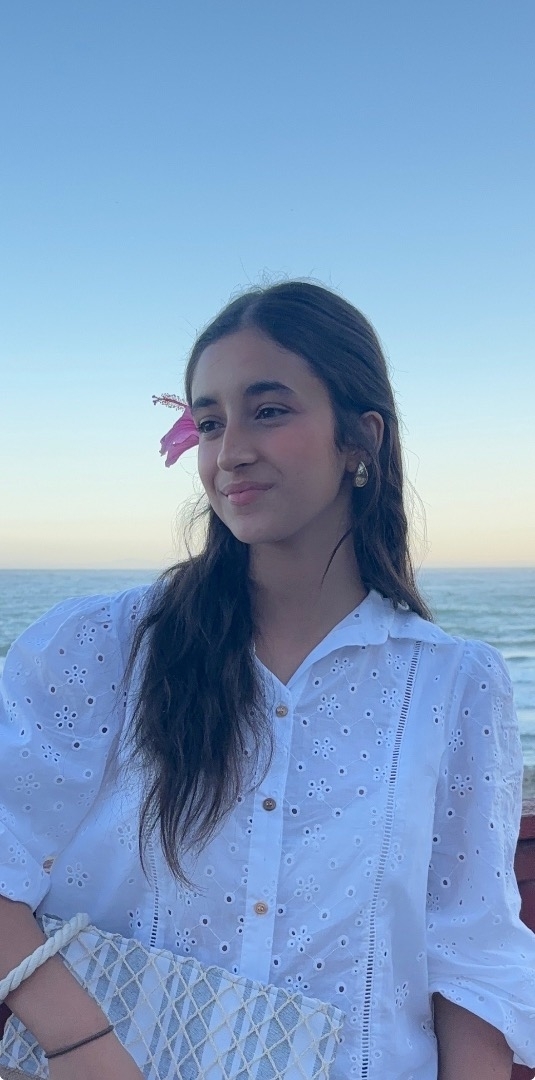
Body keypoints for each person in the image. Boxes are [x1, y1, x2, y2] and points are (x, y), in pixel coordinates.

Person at [1, 280, 534, 1080]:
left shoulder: (453, 684)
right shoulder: (108, 646)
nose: (230, 452)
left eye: (269, 410)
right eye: (210, 422)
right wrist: (83, 1046)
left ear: (359, 439)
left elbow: (471, 952)